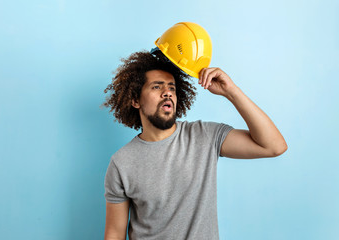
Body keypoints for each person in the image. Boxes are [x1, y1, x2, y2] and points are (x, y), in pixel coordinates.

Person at [103, 50, 287, 240]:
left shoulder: (205, 136)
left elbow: (273, 146)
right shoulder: (122, 162)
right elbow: (115, 233)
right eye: (157, 87)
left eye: (172, 88)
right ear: (135, 100)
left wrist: (230, 91)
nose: (167, 92)